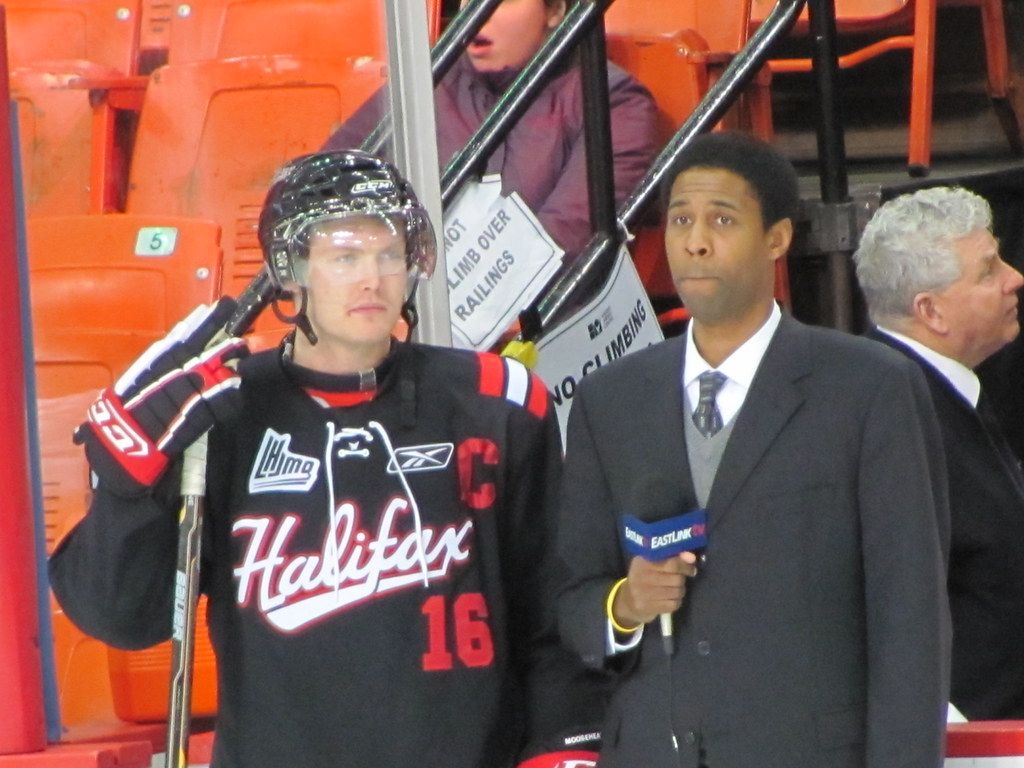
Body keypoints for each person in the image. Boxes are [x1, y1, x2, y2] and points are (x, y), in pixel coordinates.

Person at [48, 150, 605, 768]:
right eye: (344, 256)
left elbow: (555, 611)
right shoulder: (221, 413)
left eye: (389, 253)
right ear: (291, 272)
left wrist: (566, 745)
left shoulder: (498, 402)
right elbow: (125, 621)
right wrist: (127, 498)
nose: (373, 278)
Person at [555, 131, 952, 768]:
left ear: (778, 238)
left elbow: (911, 617)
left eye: (722, 219)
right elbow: (571, 594)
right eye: (681, 219)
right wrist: (624, 605)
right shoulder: (611, 400)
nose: (695, 241)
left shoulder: (868, 385)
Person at [853, 186, 1024, 720]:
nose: (1014, 278)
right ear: (931, 311)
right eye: (988, 269)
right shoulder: (889, 412)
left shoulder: (932, 387)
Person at [322, 0, 659, 264]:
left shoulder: (612, 100)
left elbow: (564, 238)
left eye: (502, 1)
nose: (478, 14)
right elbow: (316, 183)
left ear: (555, 10)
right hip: (413, 303)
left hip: (535, 330)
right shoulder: (434, 79)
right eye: (469, 0)